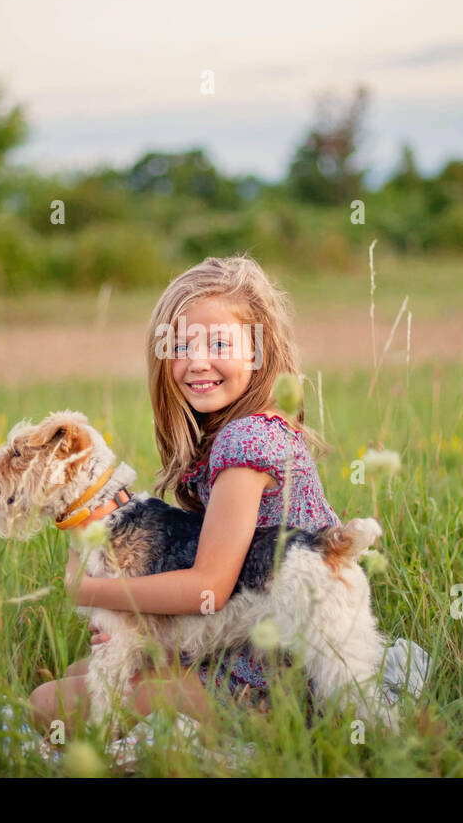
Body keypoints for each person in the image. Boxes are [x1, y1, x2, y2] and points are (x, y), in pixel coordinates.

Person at [30, 255, 342, 735]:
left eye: (219, 343)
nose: (197, 361)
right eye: (179, 346)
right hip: (244, 646)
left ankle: (257, 733)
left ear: (260, 352)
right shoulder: (235, 433)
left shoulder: (246, 444)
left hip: (275, 680)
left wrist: (93, 591)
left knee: (46, 704)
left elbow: (208, 588)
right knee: (77, 675)